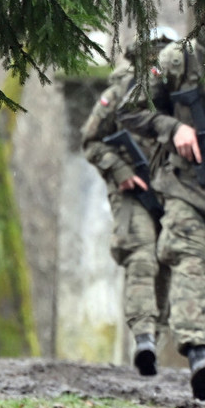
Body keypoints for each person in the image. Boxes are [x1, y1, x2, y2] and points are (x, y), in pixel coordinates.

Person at [118, 25, 205, 400]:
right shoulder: (176, 58)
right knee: (187, 257)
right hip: (185, 184)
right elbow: (131, 110)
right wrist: (173, 127)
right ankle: (197, 351)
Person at [81, 26, 178, 376]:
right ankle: (144, 337)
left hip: (171, 191)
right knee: (142, 256)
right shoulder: (121, 91)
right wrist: (121, 171)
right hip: (132, 192)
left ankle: (156, 335)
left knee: (166, 260)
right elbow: (91, 141)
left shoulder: (179, 95)